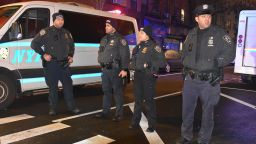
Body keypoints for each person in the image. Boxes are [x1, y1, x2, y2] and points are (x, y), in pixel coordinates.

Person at [176, 4, 235, 144]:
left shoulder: (219, 34)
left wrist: (217, 62)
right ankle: (186, 136)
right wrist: (184, 61)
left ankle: (203, 140)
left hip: (209, 81)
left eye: (209, 16)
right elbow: (184, 52)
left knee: (208, 113)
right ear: (197, 18)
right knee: (187, 110)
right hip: (190, 79)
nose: (207, 19)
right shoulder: (191, 34)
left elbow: (230, 52)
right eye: (203, 16)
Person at [31, 12, 80, 115]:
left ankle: (72, 107)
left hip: (64, 65)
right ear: (54, 20)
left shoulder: (67, 33)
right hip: (52, 65)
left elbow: (72, 46)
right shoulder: (46, 32)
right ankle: (53, 108)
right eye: (58, 19)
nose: (60, 21)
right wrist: (43, 54)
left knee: (68, 87)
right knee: (53, 88)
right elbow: (34, 44)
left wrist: (71, 55)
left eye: (62, 20)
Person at [129, 26, 166, 133]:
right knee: (138, 101)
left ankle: (152, 125)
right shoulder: (137, 47)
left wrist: (149, 64)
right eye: (139, 33)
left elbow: (162, 62)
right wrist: (131, 66)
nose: (139, 35)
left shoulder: (154, 47)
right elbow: (132, 60)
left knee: (149, 102)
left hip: (148, 76)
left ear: (147, 35)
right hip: (137, 76)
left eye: (141, 33)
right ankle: (135, 122)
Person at [95, 19, 130, 122]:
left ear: (113, 28)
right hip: (105, 70)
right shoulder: (104, 39)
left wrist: (124, 69)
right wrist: (102, 63)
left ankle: (119, 114)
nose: (106, 27)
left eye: (108, 26)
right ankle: (105, 112)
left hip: (116, 69)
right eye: (105, 25)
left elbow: (125, 55)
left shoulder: (120, 39)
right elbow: (100, 52)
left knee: (117, 92)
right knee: (106, 91)